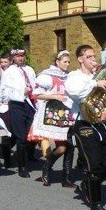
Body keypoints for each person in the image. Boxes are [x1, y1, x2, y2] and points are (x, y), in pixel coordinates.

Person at [67, 45, 106, 210]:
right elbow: (74, 92)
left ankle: (88, 183)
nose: (93, 59)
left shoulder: (100, 76)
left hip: (103, 123)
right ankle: (96, 203)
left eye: (94, 56)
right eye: (89, 56)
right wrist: (95, 83)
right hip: (84, 123)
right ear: (80, 59)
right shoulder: (74, 76)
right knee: (94, 165)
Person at [32, 50, 76, 187]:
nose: (67, 64)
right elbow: (37, 94)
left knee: (70, 146)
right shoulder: (47, 76)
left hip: (69, 111)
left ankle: (66, 178)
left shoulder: (69, 76)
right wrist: (54, 96)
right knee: (62, 147)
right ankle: (46, 167)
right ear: (57, 62)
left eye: (69, 62)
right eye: (65, 62)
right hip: (55, 112)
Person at [0, 49, 38, 177]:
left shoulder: (30, 70)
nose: (21, 58)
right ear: (13, 58)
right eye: (17, 56)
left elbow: (35, 85)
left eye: (22, 56)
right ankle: (22, 167)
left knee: (29, 134)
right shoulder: (9, 72)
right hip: (17, 104)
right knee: (21, 136)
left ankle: (7, 146)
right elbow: (4, 91)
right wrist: (22, 92)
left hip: (30, 104)